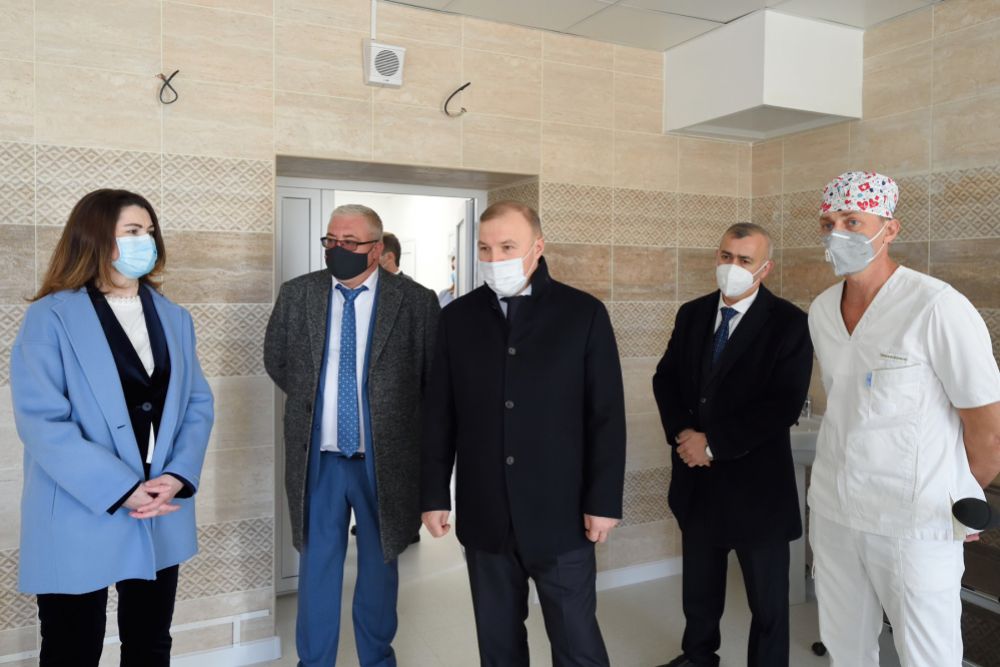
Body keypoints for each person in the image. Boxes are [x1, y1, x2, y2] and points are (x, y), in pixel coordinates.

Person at [9, 189, 214, 667]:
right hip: (81, 506)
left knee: (150, 643)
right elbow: (42, 421)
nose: (147, 241)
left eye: (150, 231)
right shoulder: (50, 317)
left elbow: (196, 403)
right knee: (71, 648)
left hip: (160, 503)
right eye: (133, 231)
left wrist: (177, 476)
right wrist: (121, 489)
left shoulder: (174, 317)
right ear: (96, 237)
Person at [421, 201, 626, 667]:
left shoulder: (583, 314)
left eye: (507, 247)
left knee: (577, 645)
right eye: (485, 249)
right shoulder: (457, 318)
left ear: (538, 247)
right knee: (498, 647)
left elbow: (606, 416)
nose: (494, 259)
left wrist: (603, 501)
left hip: (562, 516)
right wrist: (433, 495)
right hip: (485, 515)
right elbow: (439, 414)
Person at [808, 171, 1000, 666]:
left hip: (913, 522)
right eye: (829, 224)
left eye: (853, 221)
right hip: (834, 510)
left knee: (927, 656)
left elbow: (988, 431)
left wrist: (956, 491)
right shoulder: (823, 310)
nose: (837, 234)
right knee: (846, 648)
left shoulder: (936, 307)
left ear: (889, 229)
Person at [264, 204, 439, 667]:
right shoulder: (298, 294)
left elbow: (431, 379)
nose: (337, 249)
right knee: (317, 565)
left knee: (380, 566)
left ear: (376, 249)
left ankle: (377, 659)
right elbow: (277, 360)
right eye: (331, 240)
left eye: (349, 242)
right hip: (319, 459)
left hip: (384, 460)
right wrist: (316, 398)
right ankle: (313, 661)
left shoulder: (415, 302)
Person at [652, 223, 813, 667]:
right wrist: (684, 434)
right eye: (726, 256)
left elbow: (782, 405)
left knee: (768, 604)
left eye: (744, 260)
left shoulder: (790, 324)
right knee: (699, 593)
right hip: (697, 484)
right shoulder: (692, 314)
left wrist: (714, 444)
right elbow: (666, 379)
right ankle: (698, 657)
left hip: (757, 492)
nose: (732, 266)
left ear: (765, 268)